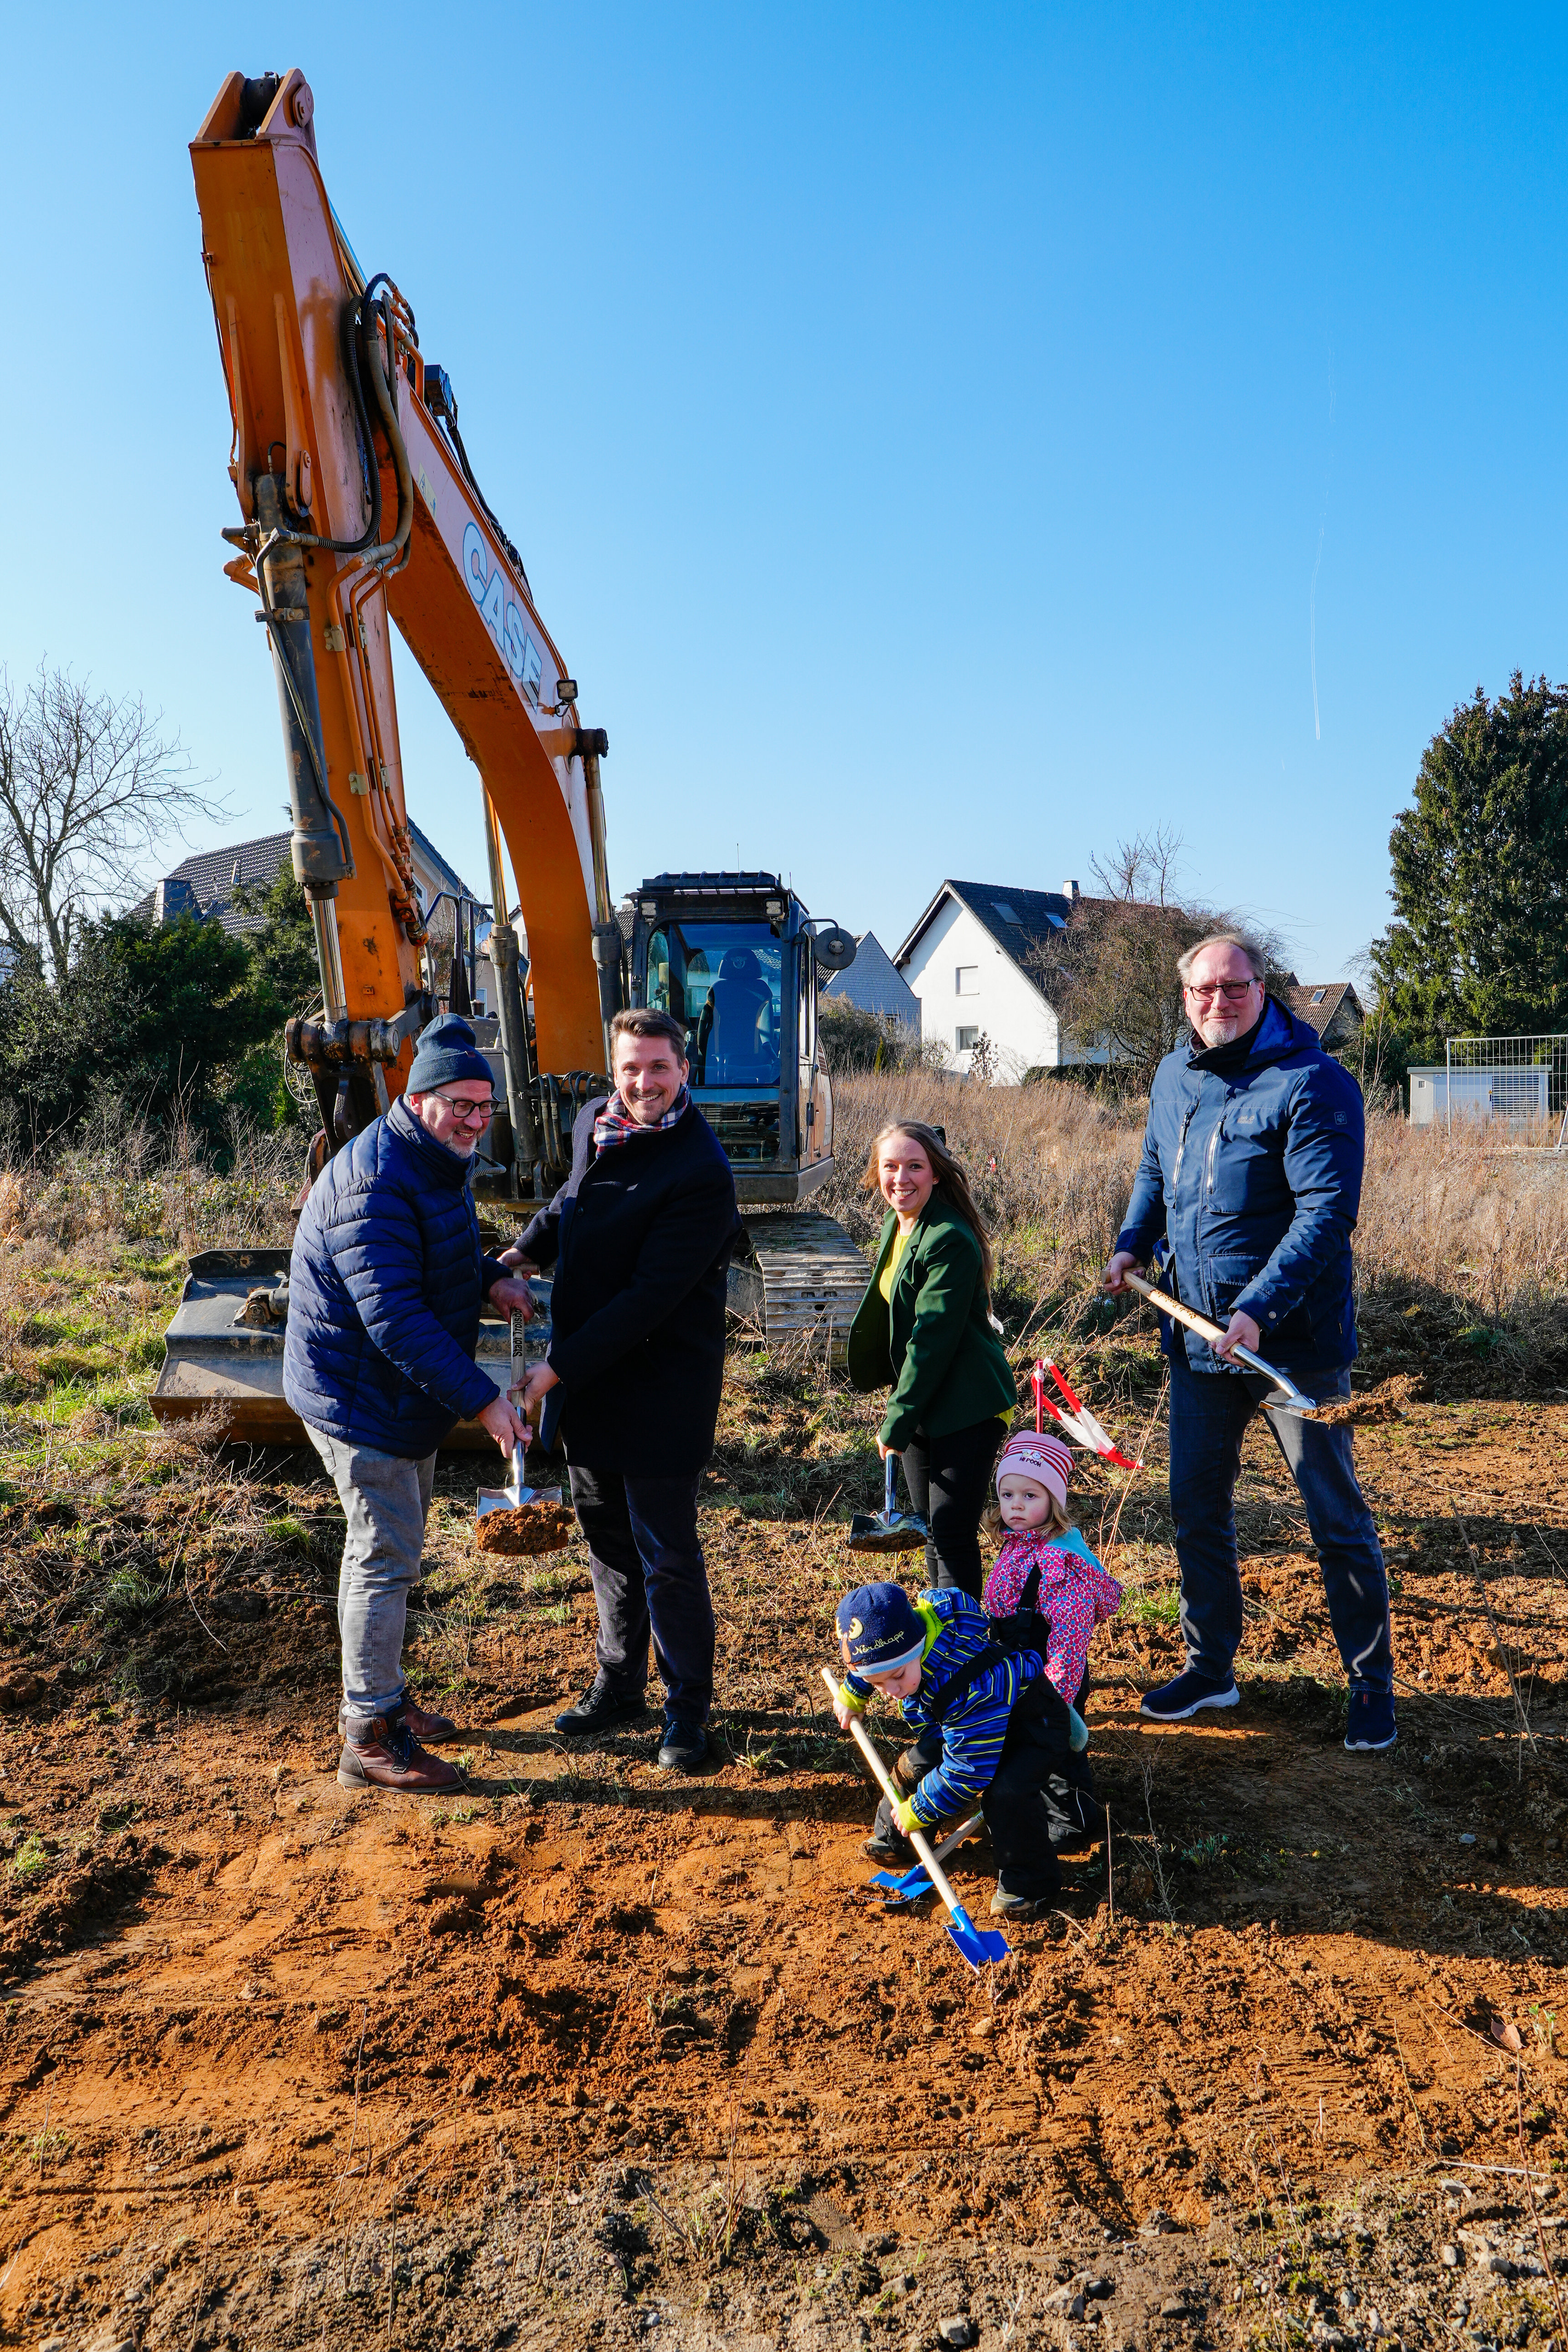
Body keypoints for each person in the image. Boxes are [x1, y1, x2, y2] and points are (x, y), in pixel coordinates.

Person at [1102, 930, 1396, 1752]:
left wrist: (1260, 1309)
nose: (1217, 1002)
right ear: (1185, 996)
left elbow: (1326, 1214)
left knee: (1333, 1515)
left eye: (1234, 987)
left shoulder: (1314, 1084)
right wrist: (1133, 1240)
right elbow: (1156, 1173)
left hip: (1289, 1344)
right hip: (1197, 1339)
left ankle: (1371, 1684)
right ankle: (1211, 1669)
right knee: (1197, 1507)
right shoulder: (1174, 1075)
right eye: (1202, 990)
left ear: (1265, 989)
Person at [284, 1013, 534, 1793]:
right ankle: (367, 1731)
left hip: (398, 1394)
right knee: (383, 1555)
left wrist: (490, 1275)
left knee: (396, 1548)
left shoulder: (432, 1159)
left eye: (484, 1106)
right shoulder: (376, 1180)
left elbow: (439, 1253)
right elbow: (393, 1315)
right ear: (419, 1097)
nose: (473, 1119)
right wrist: (485, 1403)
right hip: (361, 1399)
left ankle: (386, 1698)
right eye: (459, 1103)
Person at [511, 1008, 741, 1772]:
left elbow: (649, 1297)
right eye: (631, 1069)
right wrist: (519, 1254)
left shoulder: (700, 1171)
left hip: (657, 1389)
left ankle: (688, 1712)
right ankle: (618, 1684)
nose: (644, 1084)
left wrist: (554, 1371)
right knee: (607, 1543)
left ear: (685, 1071)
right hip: (591, 1382)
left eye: (659, 1069)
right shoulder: (594, 1122)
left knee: (665, 1554)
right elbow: (568, 1204)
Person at [831, 1580, 1088, 1920]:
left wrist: (921, 1808)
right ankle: (899, 1840)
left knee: (1005, 1795)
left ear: (918, 1645)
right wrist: (854, 1691)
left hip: (1029, 1726)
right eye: (877, 1683)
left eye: (896, 1677)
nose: (890, 1691)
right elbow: (880, 1658)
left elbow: (970, 1769)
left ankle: (1030, 1885)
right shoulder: (910, 1635)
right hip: (961, 1726)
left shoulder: (972, 1688)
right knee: (914, 1764)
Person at [845, 1122, 1018, 1599]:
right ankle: (943, 1631)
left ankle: (963, 1647)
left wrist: (897, 1418)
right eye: (890, 1166)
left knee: (950, 1532)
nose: (901, 1178)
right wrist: (904, 1405)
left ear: (936, 1174)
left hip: (967, 1402)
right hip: (923, 1395)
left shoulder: (948, 1239)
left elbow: (932, 1339)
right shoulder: (898, 1225)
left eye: (914, 1166)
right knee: (928, 1530)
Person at [980, 1427, 1122, 1851]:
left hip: (1051, 1677)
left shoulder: (1061, 1563)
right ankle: (1028, 1805)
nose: (1016, 1506)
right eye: (1008, 1496)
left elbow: (1069, 1638)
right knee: (1022, 1742)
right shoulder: (1018, 1544)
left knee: (1056, 1745)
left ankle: (1073, 1816)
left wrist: (1055, 1696)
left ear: (1054, 1502)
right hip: (1015, 1669)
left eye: (1030, 1496)